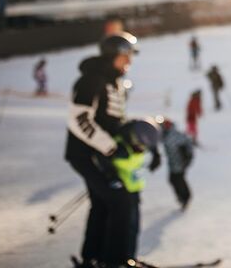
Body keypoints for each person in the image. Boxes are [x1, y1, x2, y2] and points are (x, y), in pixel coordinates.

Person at [65, 33, 160, 268]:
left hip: (102, 156)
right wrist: (109, 147)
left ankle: (93, 258)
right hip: (89, 155)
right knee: (121, 201)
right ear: (112, 55)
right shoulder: (91, 80)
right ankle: (116, 261)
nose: (129, 61)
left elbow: (113, 121)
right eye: (125, 56)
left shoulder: (113, 81)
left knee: (104, 203)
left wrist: (139, 140)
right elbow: (79, 119)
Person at [106, 118, 160, 267]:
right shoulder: (120, 147)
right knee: (124, 227)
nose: (142, 148)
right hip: (122, 192)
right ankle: (118, 259)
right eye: (141, 144)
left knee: (133, 226)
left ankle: (130, 257)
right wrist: (111, 176)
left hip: (134, 189)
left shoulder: (139, 141)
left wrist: (156, 153)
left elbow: (150, 141)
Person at [158, 117, 194, 209]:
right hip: (174, 162)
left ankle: (185, 197)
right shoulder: (168, 134)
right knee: (174, 179)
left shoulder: (171, 135)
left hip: (180, 162)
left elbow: (185, 142)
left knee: (177, 179)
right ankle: (183, 197)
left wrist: (187, 157)